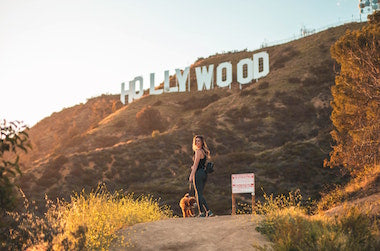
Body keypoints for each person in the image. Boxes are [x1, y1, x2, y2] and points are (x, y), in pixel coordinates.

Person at [189, 135, 214, 217]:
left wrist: (191, 175)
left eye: (198, 141)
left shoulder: (198, 151)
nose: (196, 142)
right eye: (195, 141)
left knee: (199, 194)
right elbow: (200, 164)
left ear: (202, 142)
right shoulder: (204, 151)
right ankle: (203, 212)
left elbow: (196, 165)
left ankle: (207, 211)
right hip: (204, 173)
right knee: (199, 194)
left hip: (198, 174)